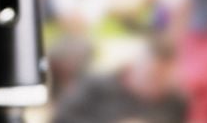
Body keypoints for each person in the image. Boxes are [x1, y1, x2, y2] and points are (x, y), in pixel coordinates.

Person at [52, 36, 187, 123]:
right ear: (132, 69)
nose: (156, 85)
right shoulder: (95, 87)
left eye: (163, 80)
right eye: (152, 77)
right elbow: (61, 118)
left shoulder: (174, 102)